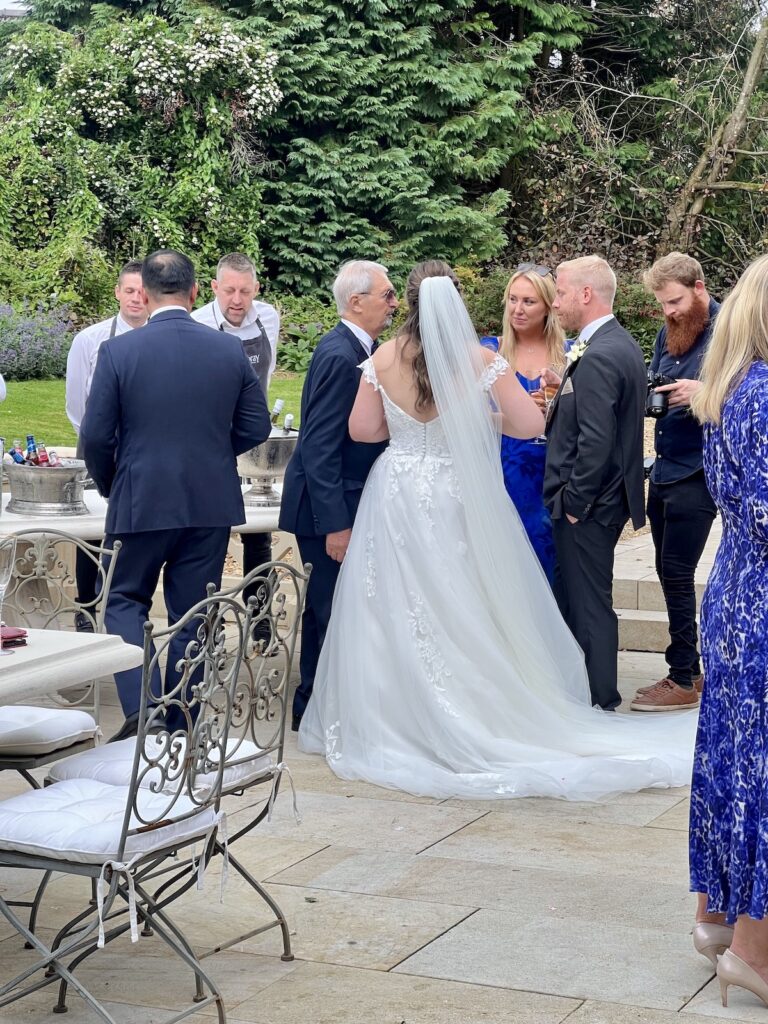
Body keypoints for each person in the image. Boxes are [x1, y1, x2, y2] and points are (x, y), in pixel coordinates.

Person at [299, 260, 697, 801]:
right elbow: (531, 424)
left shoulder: (382, 357)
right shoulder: (479, 358)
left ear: (410, 304)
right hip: (451, 491)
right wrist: (476, 419)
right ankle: (471, 707)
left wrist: (408, 428)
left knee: (391, 601)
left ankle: (395, 716)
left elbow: (362, 429)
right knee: (463, 598)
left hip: (395, 493)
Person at [80, 249, 271, 739]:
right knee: (194, 609)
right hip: (208, 501)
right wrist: (210, 452)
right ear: (193, 293)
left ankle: (144, 711)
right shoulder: (228, 351)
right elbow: (256, 426)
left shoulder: (120, 351)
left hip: (141, 496)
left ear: (143, 293)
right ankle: (183, 714)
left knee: (124, 601)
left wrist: (113, 482)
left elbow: (96, 438)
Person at [687, 255, 768, 1007]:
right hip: (762, 598)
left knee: (732, 760)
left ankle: (717, 918)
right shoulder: (767, 394)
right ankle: (754, 951)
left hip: (740, 591)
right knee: (761, 774)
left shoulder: (734, 384)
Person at [279, 260, 397, 731]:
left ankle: (333, 707)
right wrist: (336, 524)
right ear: (356, 301)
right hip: (330, 509)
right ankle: (311, 710)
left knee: (342, 611)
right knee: (327, 612)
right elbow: (318, 445)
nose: (393, 304)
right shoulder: (338, 355)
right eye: (386, 295)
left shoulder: (360, 349)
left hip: (347, 502)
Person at [542, 256, 646, 711]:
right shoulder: (615, 344)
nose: (556, 301)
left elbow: (597, 441)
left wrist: (574, 502)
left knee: (589, 606)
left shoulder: (601, 353)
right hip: (599, 502)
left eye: (561, 292)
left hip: (589, 506)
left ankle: (599, 700)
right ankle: (584, 693)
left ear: (586, 294)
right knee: (583, 601)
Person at [629, 253, 719, 712]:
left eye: (676, 301)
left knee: (679, 573)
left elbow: (754, 389)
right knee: (668, 572)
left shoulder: (729, 330)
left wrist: (703, 393)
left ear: (699, 288)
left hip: (701, 470)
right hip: (664, 467)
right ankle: (692, 671)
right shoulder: (669, 330)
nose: (669, 312)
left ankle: (683, 676)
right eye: (663, 304)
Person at [192, 253, 281, 629]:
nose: (237, 299)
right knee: (211, 533)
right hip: (210, 441)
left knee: (258, 531)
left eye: (245, 291)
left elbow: (267, 373)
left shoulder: (268, 319)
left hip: (251, 437)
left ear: (256, 289)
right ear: (214, 288)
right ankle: (208, 623)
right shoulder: (198, 324)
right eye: (229, 290)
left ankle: (259, 618)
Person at [64, 260, 146, 630]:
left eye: (142, 291)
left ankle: (126, 606)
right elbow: (77, 405)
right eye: (129, 290)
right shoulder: (90, 340)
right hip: (101, 448)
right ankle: (85, 607)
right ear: (117, 293)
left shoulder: (156, 338)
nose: (136, 298)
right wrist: (101, 443)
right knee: (93, 532)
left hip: (144, 450)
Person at [480, 264, 566, 580]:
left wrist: (555, 407)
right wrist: (515, 416)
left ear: (548, 306)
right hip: (500, 472)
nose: (518, 309)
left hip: (549, 474)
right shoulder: (488, 350)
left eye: (528, 301)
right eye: (513, 299)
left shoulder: (570, 353)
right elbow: (465, 414)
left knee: (548, 567)